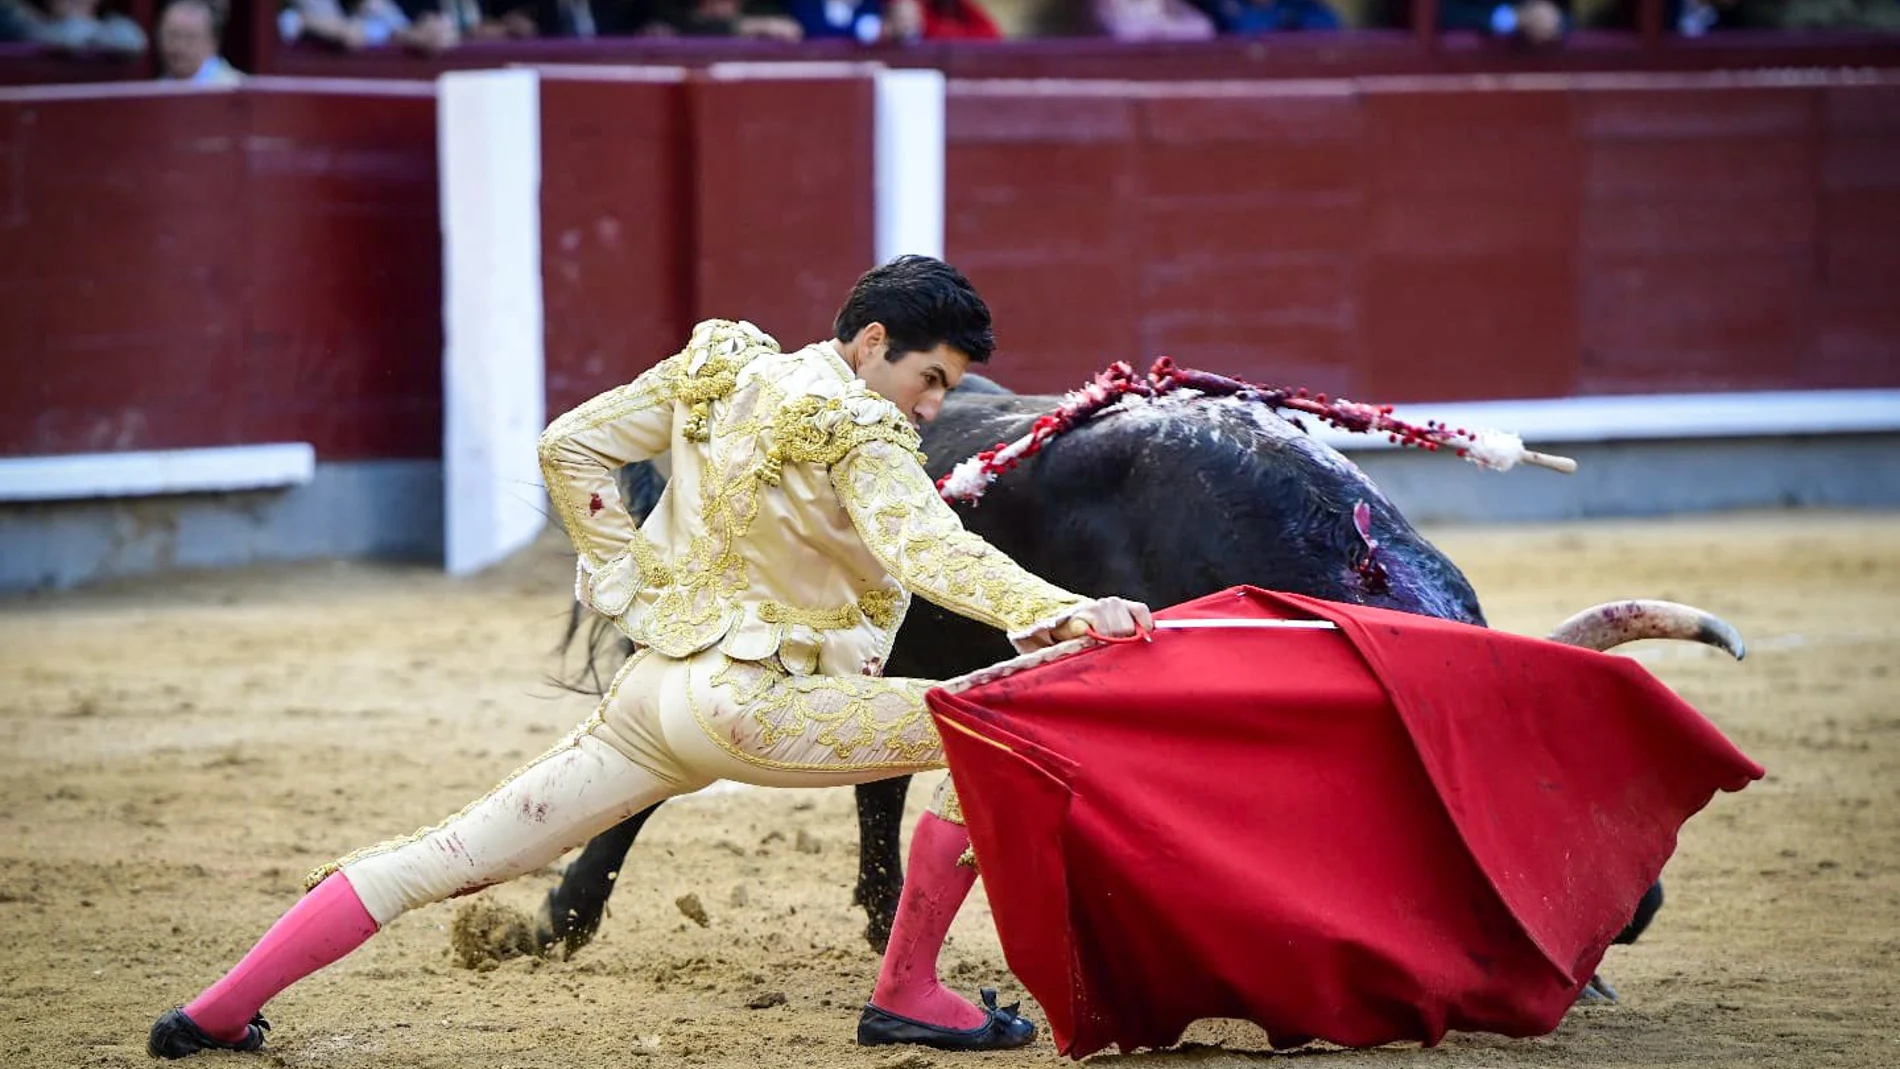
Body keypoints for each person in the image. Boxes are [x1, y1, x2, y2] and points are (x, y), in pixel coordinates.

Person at [146, 255, 1153, 1059]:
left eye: (949, 387)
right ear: (873, 342)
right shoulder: (864, 430)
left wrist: (623, 584)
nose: (933, 404)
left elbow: (570, 445)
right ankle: (910, 993)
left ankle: (214, 1012)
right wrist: (1065, 612)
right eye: (929, 376)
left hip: (650, 696)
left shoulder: (721, 369)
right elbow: (931, 551)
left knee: (444, 855)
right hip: (757, 705)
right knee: (999, 725)